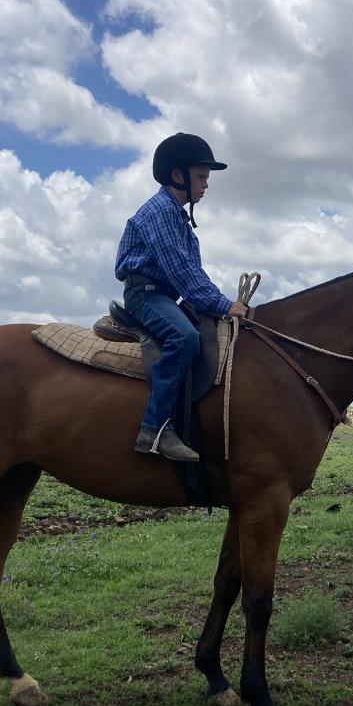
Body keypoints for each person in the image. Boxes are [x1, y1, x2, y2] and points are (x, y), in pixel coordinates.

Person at [115, 133, 248, 462]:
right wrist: (224, 304)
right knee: (184, 337)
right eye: (201, 176)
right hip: (146, 295)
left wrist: (216, 303)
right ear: (178, 175)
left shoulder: (177, 215)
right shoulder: (160, 212)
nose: (206, 184)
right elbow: (182, 271)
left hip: (163, 294)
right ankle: (155, 429)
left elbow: (193, 271)